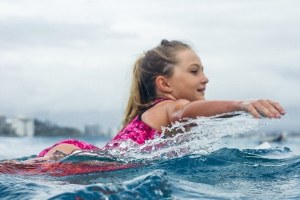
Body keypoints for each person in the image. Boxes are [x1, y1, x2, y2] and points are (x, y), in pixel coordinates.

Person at [36, 39, 286, 161]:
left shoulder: (154, 113)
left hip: (82, 159)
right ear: (164, 84)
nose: (206, 78)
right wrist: (239, 105)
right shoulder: (169, 107)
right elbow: (187, 111)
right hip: (83, 161)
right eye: (194, 71)